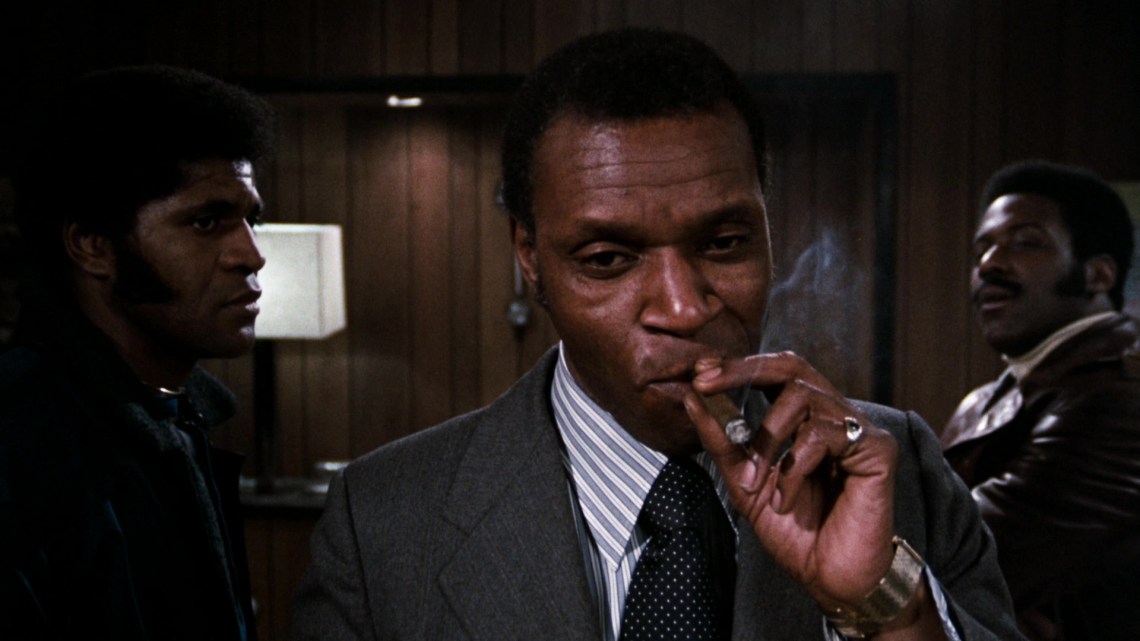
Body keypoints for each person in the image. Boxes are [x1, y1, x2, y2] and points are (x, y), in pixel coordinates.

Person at [292, 29, 1021, 641]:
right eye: (608, 259)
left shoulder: (903, 474)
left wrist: (887, 609)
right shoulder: (384, 520)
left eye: (725, 243)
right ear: (529, 256)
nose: (682, 307)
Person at [0, 65, 275, 640]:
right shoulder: (25, 438)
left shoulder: (177, 417)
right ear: (92, 246)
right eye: (206, 222)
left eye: (251, 219)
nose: (251, 255)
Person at [941, 160, 1140, 641]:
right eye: (982, 249)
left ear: (1098, 275)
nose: (988, 265)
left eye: (1025, 243)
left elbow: (963, 559)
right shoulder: (993, 395)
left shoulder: (1119, 395)